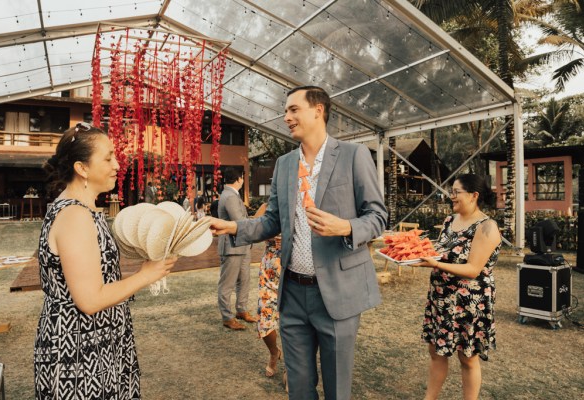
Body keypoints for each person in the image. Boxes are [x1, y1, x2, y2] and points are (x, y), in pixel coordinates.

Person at [210, 86, 388, 399]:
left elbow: (377, 216)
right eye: (285, 110)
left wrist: (346, 226)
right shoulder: (285, 164)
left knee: (336, 389)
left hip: (336, 291)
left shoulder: (353, 155)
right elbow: (272, 222)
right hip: (291, 294)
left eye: (294, 109)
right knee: (300, 389)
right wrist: (232, 226)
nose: (286, 117)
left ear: (318, 111)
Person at [34, 122, 177, 399]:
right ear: (82, 168)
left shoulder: (83, 209)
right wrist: (146, 275)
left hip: (100, 339)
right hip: (79, 350)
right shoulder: (75, 215)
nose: (116, 164)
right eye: (108, 157)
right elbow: (89, 299)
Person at [416, 174, 501, 400]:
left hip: (469, 302)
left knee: (467, 358)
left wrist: (436, 263)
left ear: (474, 196)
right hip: (441, 298)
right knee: (435, 352)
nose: (450, 196)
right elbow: (440, 255)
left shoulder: (487, 227)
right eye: (450, 191)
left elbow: (473, 269)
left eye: (456, 192)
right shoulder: (448, 221)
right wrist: (418, 257)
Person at [217, 168, 257, 330]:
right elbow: (239, 221)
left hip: (242, 245)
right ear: (239, 179)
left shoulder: (232, 195)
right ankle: (227, 317)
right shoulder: (230, 196)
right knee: (228, 283)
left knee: (244, 280)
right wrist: (257, 223)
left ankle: (241, 310)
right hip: (232, 246)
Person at [253, 203, 284, 382]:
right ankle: (274, 352)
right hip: (269, 272)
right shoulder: (267, 207)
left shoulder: (300, 205)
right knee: (265, 321)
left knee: (292, 324)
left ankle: (291, 369)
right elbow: (254, 230)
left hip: (293, 268)